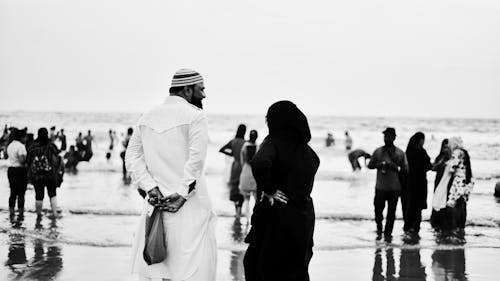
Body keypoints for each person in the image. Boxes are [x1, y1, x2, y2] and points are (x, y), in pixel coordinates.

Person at [126, 69, 216, 281]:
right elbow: (197, 159)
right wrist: (183, 193)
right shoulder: (196, 116)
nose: (204, 95)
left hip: (157, 205)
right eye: (201, 89)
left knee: (160, 270)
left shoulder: (147, 116)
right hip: (189, 207)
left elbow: (132, 156)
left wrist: (150, 187)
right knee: (189, 270)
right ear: (187, 89)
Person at [243, 101, 319, 281]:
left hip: (277, 216)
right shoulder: (308, 151)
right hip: (304, 217)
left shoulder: (273, 142)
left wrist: (269, 189)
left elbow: (260, 163)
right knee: (296, 269)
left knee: (259, 266)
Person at [367, 127, 409, 238]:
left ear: (394, 138)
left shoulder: (400, 153)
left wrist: (395, 167)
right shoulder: (378, 151)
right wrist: (379, 165)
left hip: (395, 187)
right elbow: (369, 165)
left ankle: (388, 233)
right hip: (380, 186)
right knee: (378, 209)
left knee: (391, 212)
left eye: (389, 136)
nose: (386, 139)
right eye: (385, 136)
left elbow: (406, 169)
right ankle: (379, 227)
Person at [431, 137, 473, 233]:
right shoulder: (464, 152)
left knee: (452, 204)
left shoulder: (456, 152)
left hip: (457, 181)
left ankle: (453, 228)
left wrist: (447, 165)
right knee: (460, 204)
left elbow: (453, 166)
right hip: (464, 182)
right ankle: (460, 227)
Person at [26, 128, 63, 218]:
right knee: (52, 194)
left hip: (37, 175)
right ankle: (54, 213)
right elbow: (58, 155)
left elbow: (28, 161)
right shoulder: (51, 146)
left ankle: (39, 215)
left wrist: (29, 175)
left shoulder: (32, 147)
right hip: (50, 174)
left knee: (39, 196)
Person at [403, 132, 432, 234]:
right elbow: (429, 166)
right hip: (417, 182)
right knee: (415, 206)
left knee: (412, 205)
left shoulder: (410, 151)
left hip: (413, 182)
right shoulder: (420, 152)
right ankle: (413, 227)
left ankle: (410, 227)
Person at [219, 124, 247, 216]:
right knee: (241, 189)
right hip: (243, 167)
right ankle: (240, 210)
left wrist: (232, 154)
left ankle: (236, 211)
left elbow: (222, 149)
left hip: (235, 167)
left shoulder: (233, 142)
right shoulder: (245, 143)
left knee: (234, 188)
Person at [6, 128, 28, 217]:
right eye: (25, 137)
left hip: (11, 169)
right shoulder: (21, 146)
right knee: (21, 194)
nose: (26, 139)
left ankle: (11, 212)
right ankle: (20, 213)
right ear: (21, 137)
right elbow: (22, 160)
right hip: (20, 170)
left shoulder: (10, 145)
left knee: (13, 193)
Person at [430, 139, 451, 229]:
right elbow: (433, 168)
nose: (445, 149)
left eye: (447, 147)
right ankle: (436, 221)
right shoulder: (440, 157)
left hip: (447, 185)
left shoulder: (452, 159)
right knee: (437, 201)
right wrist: (442, 162)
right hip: (438, 183)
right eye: (444, 147)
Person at [239, 129, 259, 223]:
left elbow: (242, 161)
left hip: (246, 173)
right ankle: (255, 219)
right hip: (255, 175)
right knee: (256, 199)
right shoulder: (258, 147)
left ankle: (247, 219)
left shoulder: (244, 147)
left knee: (246, 199)